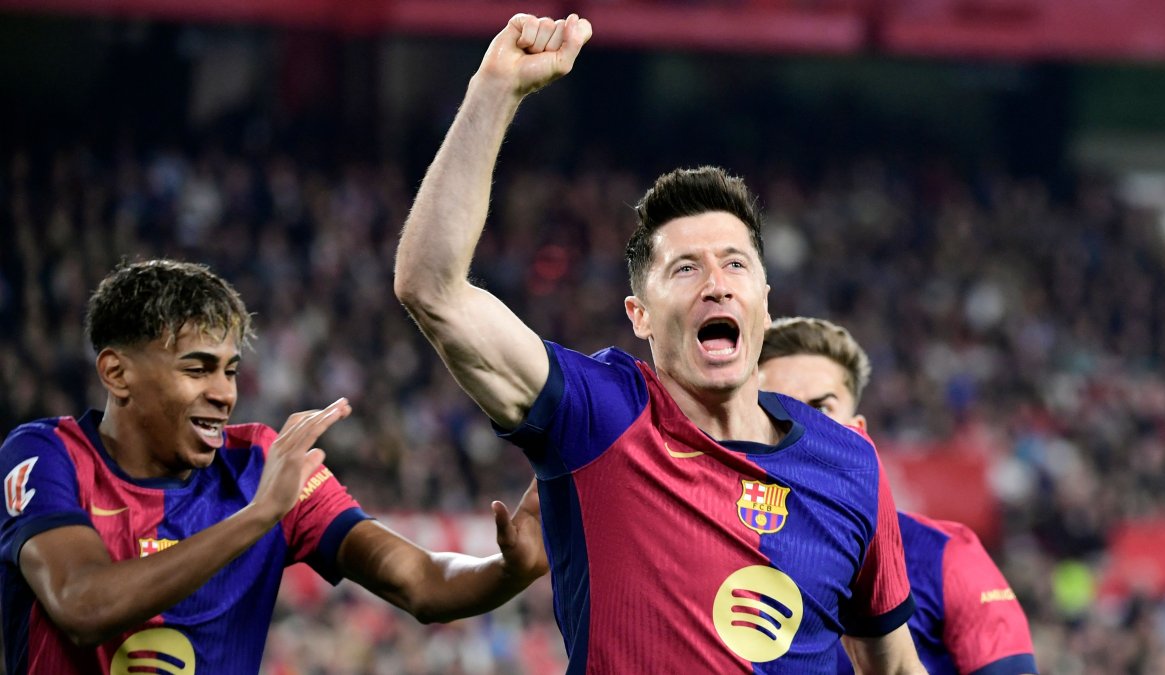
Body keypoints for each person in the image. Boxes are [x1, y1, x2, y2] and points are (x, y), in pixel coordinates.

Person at [393, 13, 925, 673]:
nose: (716, 284)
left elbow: (894, 666)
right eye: (685, 268)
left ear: (765, 296)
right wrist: (495, 89)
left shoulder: (850, 465)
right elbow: (432, 288)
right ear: (639, 315)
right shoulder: (597, 415)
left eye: (735, 264)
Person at [0, 259, 547, 674]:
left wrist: (506, 572)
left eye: (230, 371)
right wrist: (257, 517)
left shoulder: (263, 462)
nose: (223, 394)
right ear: (117, 374)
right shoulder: (46, 456)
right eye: (198, 369)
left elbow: (422, 581)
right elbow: (81, 604)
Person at [758, 316, 1039, 675]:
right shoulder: (709, 551)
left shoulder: (944, 557)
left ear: (856, 432)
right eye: (779, 408)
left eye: (822, 409)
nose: (803, 428)